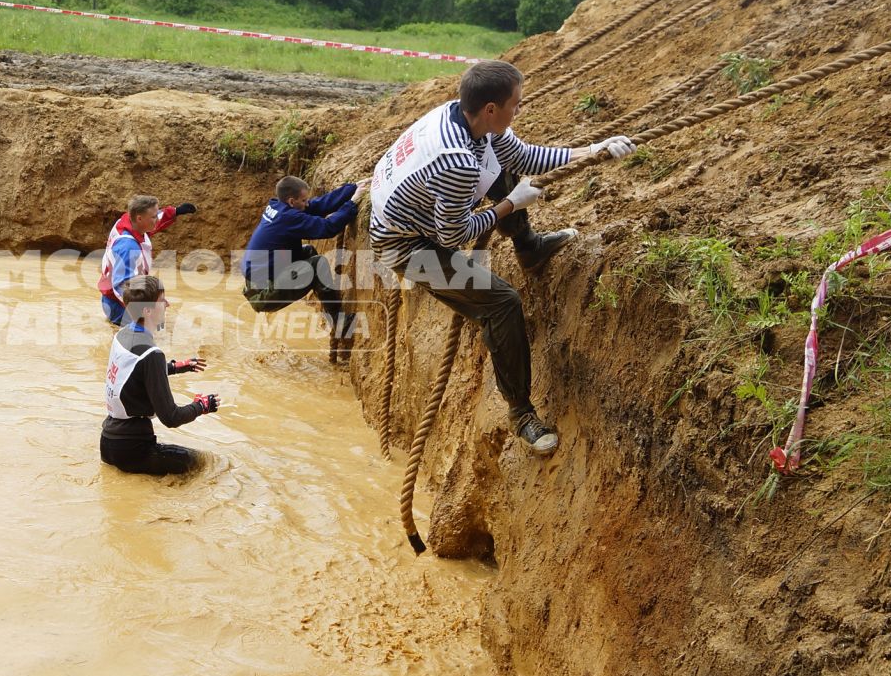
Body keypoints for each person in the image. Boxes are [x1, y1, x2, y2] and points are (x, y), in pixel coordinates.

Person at [367, 59, 634, 455]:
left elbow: (525, 159)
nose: (520, 109)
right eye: (516, 104)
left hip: (426, 216)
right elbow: (453, 236)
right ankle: (521, 414)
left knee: (504, 171)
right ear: (491, 108)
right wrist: (510, 204)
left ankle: (529, 249)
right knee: (502, 303)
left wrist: (594, 151)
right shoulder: (456, 161)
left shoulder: (470, 120)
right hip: (406, 246)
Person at [100, 274, 217, 476]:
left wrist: (177, 367)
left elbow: (134, 376)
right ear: (147, 310)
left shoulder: (122, 335)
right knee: (209, 464)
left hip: (108, 444)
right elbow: (171, 417)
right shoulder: (151, 354)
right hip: (135, 451)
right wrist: (202, 406)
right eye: (162, 301)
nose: (168, 305)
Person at [240, 174, 360, 358]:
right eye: (303, 200)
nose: (307, 204)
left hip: (262, 278)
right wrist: (351, 206)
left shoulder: (278, 207)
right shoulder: (288, 218)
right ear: (291, 201)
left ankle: (331, 314)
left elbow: (317, 206)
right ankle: (339, 322)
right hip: (263, 293)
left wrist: (353, 188)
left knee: (308, 252)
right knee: (317, 263)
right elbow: (327, 227)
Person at [98, 193, 196, 324]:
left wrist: (174, 212)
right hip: (117, 305)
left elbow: (153, 219)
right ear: (139, 218)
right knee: (147, 331)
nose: (156, 219)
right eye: (153, 217)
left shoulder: (128, 221)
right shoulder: (128, 247)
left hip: (113, 298)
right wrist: (145, 309)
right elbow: (121, 287)